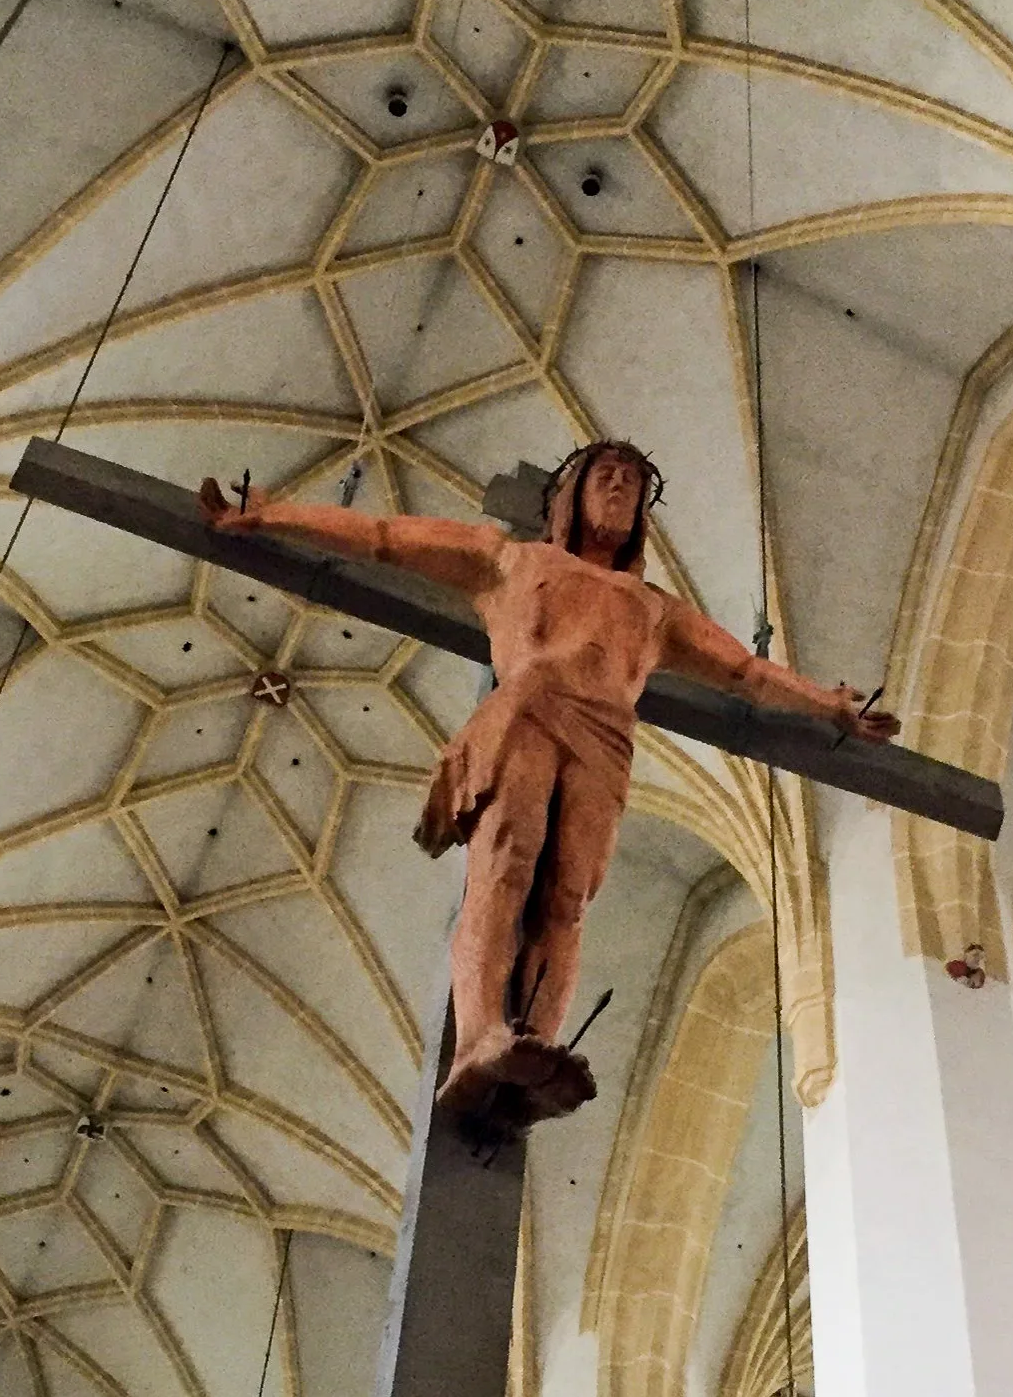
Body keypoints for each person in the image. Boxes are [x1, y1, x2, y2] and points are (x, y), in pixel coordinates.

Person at [201, 441, 896, 1120]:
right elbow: (383, 536)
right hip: (528, 709)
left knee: (566, 897)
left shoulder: (654, 610)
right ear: (573, 493)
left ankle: (534, 1044)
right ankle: (478, 1038)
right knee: (507, 862)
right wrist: (270, 515)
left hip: (604, 739)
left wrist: (826, 702)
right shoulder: (510, 560)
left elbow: (746, 672)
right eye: (606, 475)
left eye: (631, 481)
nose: (619, 487)